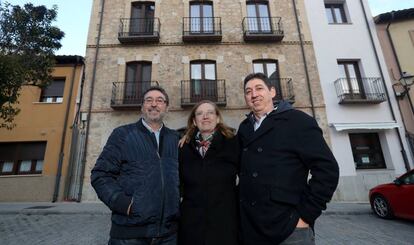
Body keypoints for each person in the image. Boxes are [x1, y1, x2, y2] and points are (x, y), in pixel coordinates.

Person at [238, 73, 339, 245]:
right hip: (251, 227)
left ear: (272, 92)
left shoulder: (298, 121)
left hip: (289, 228)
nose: (254, 94)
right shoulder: (244, 128)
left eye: (259, 88)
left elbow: (327, 170)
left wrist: (306, 215)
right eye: (248, 91)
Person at [91, 86, 180, 245]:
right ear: (142, 107)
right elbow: (101, 174)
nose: (154, 104)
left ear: (166, 107)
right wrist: (123, 203)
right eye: (149, 100)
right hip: (129, 235)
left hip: (168, 235)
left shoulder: (176, 139)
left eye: (160, 101)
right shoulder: (122, 134)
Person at [178, 100, 239, 245]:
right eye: (200, 113)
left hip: (225, 224)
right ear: (194, 121)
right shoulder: (182, 147)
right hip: (191, 226)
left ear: (217, 118)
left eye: (210, 112)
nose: (205, 116)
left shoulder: (233, 143)